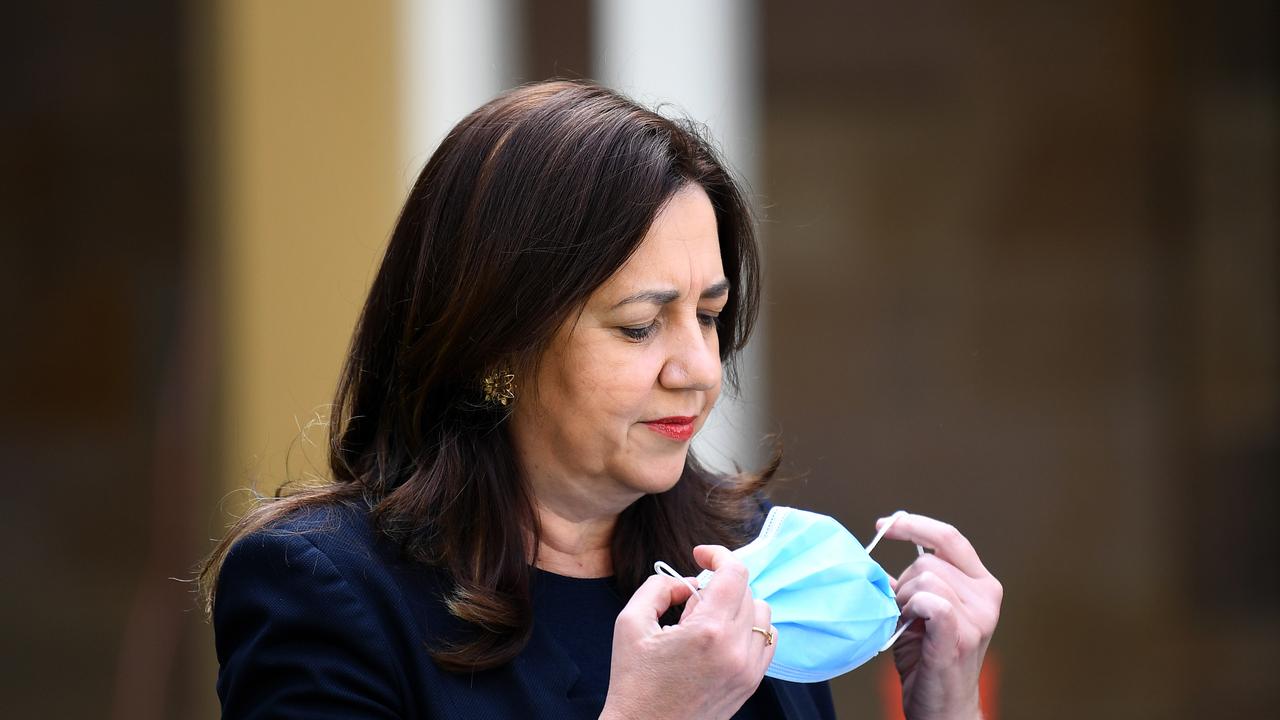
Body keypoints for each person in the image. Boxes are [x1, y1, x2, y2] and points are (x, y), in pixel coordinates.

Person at [201, 80, 1002, 720]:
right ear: (496, 341)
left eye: (711, 316)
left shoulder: (745, 558)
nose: (696, 368)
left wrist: (947, 706)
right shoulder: (326, 588)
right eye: (639, 326)